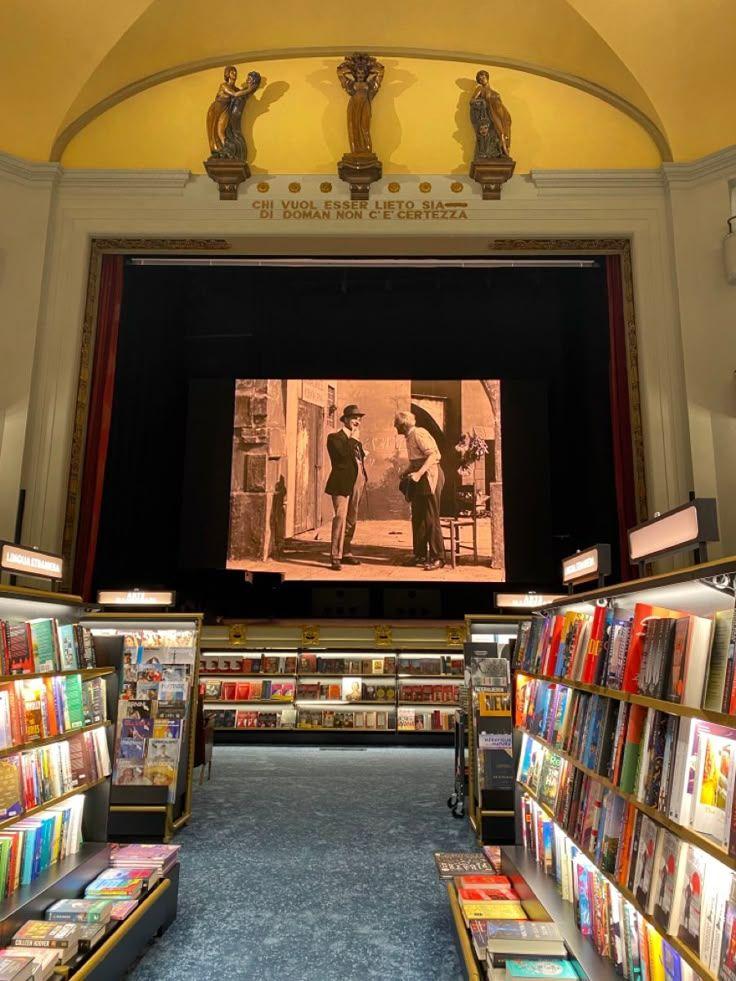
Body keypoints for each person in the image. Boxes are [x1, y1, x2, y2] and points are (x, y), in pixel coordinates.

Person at [394, 411, 445, 570]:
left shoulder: (419, 433)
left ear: (404, 425)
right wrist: (406, 471)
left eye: (397, 424)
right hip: (420, 477)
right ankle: (420, 555)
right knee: (418, 517)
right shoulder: (409, 437)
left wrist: (418, 474)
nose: (395, 426)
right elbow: (416, 461)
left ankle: (438, 558)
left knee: (430, 517)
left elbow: (433, 456)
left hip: (430, 476)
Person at [325, 405, 368, 571]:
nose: (357, 421)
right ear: (345, 420)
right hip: (341, 484)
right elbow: (342, 456)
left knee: (351, 519)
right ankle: (335, 556)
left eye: (359, 419)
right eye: (354, 418)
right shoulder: (334, 438)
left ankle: (346, 552)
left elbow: (356, 459)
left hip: (357, 482)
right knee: (340, 518)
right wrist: (353, 439)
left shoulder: (356, 441)